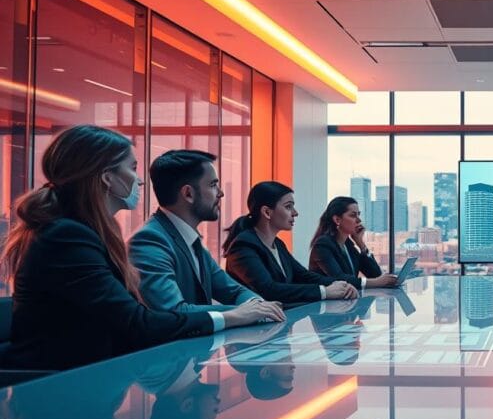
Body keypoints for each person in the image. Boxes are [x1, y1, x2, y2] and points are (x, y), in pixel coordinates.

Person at [0, 126, 284, 371]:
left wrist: (247, 309)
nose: (139, 180)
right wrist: (230, 316)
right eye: (132, 168)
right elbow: (137, 323)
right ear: (107, 177)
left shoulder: (82, 233)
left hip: (90, 379)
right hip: (59, 390)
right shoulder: (66, 237)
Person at [129, 149, 281, 320]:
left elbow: (232, 290)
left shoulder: (191, 240)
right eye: (213, 185)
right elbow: (172, 311)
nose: (221, 193)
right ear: (188, 194)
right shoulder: (149, 240)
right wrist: (240, 314)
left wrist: (258, 305)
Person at [223, 181, 357, 304]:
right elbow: (269, 290)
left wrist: (341, 284)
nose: (295, 213)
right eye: (288, 207)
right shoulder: (243, 247)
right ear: (267, 212)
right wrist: (324, 292)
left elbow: (304, 276)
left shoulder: (278, 244)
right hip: (253, 329)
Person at [308, 196, 397, 289]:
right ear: (337, 220)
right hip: (323, 302)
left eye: (359, 214)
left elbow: (375, 274)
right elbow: (340, 279)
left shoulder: (348, 245)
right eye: (353, 215)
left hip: (345, 300)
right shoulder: (323, 245)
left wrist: (360, 243)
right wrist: (377, 282)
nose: (359, 220)